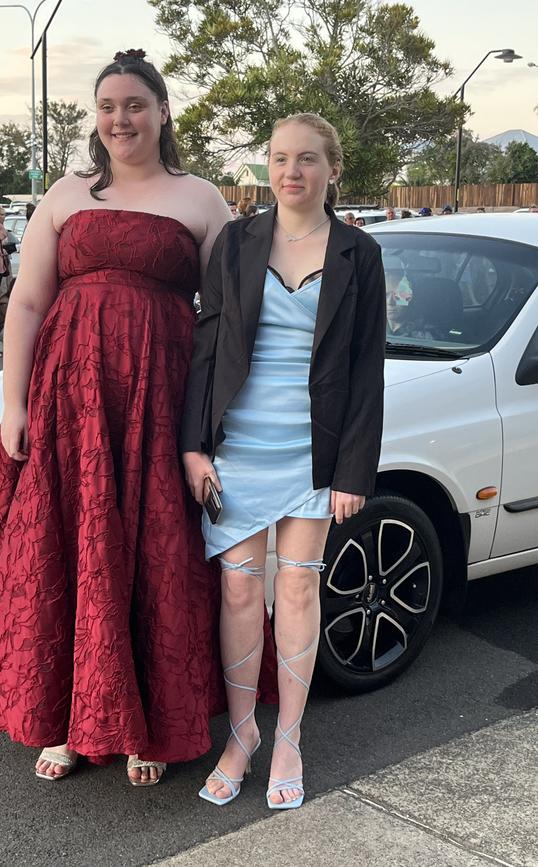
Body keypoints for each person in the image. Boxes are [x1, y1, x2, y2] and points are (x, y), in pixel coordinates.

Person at [0, 49, 252, 789]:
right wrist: (14, 401)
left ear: (161, 113)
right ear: (97, 118)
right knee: (68, 550)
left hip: (159, 403)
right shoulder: (65, 193)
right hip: (69, 402)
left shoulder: (201, 199)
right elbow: (25, 303)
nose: (121, 119)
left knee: (151, 553)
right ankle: (66, 719)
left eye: (135, 105)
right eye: (109, 107)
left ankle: (141, 719)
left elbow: (226, 319)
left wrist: (221, 420)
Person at [182, 112, 386, 809]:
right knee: (239, 592)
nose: (290, 170)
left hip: (313, 452)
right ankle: (242, 736)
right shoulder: (236, 242)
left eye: (306, 158)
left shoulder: (361, 252)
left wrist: (355, 470)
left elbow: (366, 371)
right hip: (237, 448)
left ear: (332, 169)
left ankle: (290, 735)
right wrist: (192, 444)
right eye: (278, 158)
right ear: (266, 167)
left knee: (296, 591)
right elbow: (205, 349)